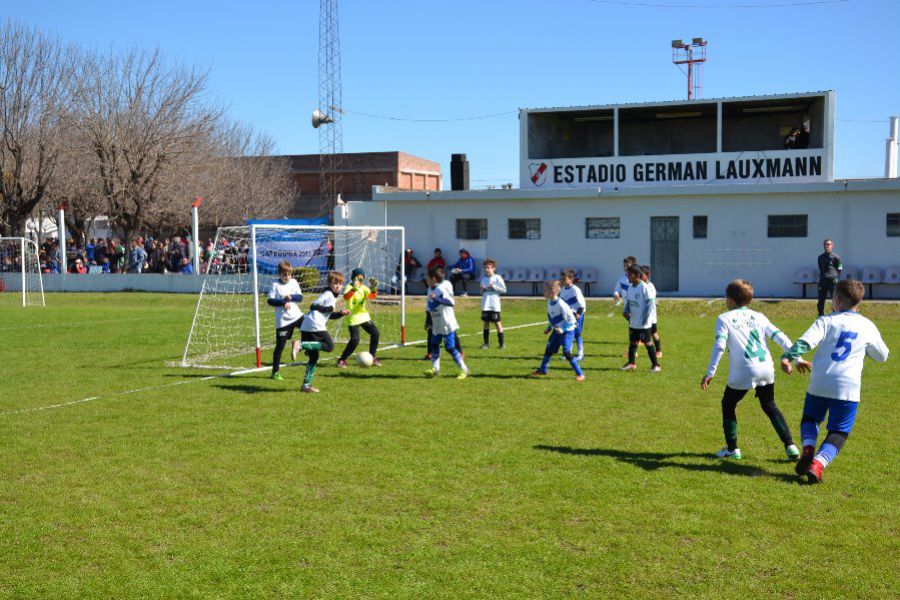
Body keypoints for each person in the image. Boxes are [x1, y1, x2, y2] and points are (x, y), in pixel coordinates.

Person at [781, 279, 889, 484]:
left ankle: (808, 447)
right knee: (839, 431)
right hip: (848, 386)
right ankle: (818, 464)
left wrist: (788, 356)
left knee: (810, 419)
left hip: (820, 380)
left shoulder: (826, 321)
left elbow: (806, 341)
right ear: (859, 301)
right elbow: (882, 356)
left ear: (836, 299)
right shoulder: (867, 325)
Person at [701, 279, 799, 461]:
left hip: (744, 370)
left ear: (730, 300)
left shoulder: (724, 318)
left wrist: (710, 372)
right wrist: (798, 357)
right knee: (769, 405)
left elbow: (719, 346)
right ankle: (791, 446)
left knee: (728, 404)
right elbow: (779, 337)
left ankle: (732, 449)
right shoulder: (759, 316)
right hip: (766, 368)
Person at [298, 271, 350, 393]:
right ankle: (301, 345)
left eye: (340, 284)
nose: (338, 286)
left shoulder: (331, 296)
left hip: (307, 326)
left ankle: (306, 385)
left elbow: (328, 315)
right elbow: (313, 306)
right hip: (314, 325)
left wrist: (340, 314)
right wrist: (330, 308)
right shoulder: (328, 294)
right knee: (330, 346)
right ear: (329, 283)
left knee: (314, 356)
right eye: (335, 283)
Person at [531, 280, 585, 381]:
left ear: (553, 292)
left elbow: (572, 321)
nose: (543, 292)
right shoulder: (550, 302)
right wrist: (549, 328)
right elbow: (553, 317)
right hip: (557, 330)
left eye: (545, 290)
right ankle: (543, 369)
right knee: (548, 350)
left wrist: (563, 329)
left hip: (568, 331)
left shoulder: (561, 305)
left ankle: (580, 374)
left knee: (567, 353)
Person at [424, 266, 469, 379]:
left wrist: (438, 299)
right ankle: (435, 369)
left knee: (449, 347)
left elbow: (451, 302)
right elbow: (429, 307)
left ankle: (464, 369)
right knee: (434, 344)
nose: (426, 280)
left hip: (446, 323)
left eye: (428, 278)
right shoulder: (429, 289)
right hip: (436, 322)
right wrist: (427, 320)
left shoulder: (442, 288)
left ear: (434, 278)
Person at [336, 268, 382, 368]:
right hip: (352, 316)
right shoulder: (349, 286)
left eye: (362, 279)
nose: (360, 281)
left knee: (375, 333)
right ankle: (341, 360)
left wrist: (374, 288)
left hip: (363, 316)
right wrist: (354, 289)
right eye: (358, 278)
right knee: (355, 339)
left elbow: (372, 296)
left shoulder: (364, 288)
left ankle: (372, 358)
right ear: (353, 278)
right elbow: (346, 297)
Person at [267, 261, 304, 381]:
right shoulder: (275, 284)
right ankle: (275, 372)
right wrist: (283, 302)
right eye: (284, 274)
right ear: (279, 274)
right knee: (280, 346)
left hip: (296, 316)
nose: (286, 277)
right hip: (283, 321)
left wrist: (292, 297)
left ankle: (298, 345)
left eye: (289, 274)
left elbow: (300, 297)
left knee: (311, 329)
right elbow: (270, 301)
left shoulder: (293, 282)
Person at [622, 265, 661, 372]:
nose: (628, 277)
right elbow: (629, 301)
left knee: (648, 343)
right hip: (633, 321)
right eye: (627, 274)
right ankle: (631, 363)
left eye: (630, 275)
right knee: (633, 342)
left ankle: (656, 365)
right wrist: (626, 311)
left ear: (637, 275)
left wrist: (645, 318)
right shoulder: (630, 287)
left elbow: (650, 303)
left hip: (644, 323)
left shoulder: (644, 287)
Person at [479, 259, 507, 349]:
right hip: (485, 304)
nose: (487, 269)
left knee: (497, 323)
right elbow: (482, 292)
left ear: (493, 268)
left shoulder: (497, 278)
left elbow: (504, 290)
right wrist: (482, 290)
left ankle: (501, 344)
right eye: (485, 268)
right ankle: (486, 344)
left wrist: (494, 286)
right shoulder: (483, 279)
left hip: (494, 304)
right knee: (486, 323)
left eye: (488, 267)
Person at [560, 269, 586, 361]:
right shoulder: (562, 290)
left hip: (577, 315)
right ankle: (568, 353)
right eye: (562, 278)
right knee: (567, 333)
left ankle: (580, 353)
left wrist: (579, 313)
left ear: (571, 279)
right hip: (568, 316)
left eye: (564, 278)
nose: (562, 280)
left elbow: (582, 303)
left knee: (577, 334)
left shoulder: (575, 290)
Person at [816, 238, 842, 317]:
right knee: (821, 299)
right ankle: (820, 315)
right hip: (823, 281)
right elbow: (820, 268)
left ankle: (835, 315)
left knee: (835, 299)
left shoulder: (836, 257)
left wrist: (834, 275)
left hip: (833, 281)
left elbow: (840, 268)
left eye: (828, 244)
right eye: (825, 244)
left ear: (832, 245)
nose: (827, 246)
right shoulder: (820, 257)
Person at [640, 265, 662, 357]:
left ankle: (658, 351)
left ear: (647, 275)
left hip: (651, 316)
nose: (640, 276)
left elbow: (651, 301)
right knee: (644, 334)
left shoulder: (650, 286)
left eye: (641, 274)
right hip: (644, 315)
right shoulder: (641, 285)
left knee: (653, 333)